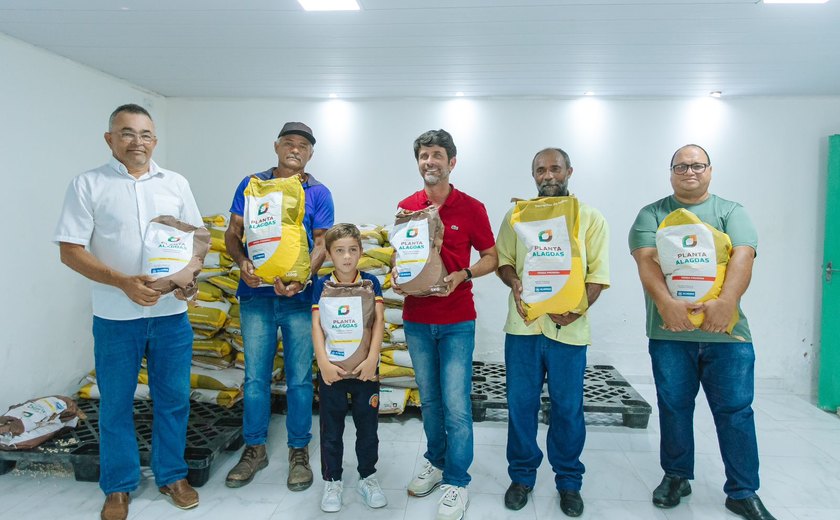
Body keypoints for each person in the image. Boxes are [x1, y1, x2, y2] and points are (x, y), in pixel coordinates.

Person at [54, 104, 202, 520]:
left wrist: (185, 281)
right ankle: (118, 486)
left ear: (155, 140)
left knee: (172, 399)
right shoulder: (88, 185)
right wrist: (124, 283)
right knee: (115, 403)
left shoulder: (175, 183)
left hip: (171, 315)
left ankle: (172, 474)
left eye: (145, 134)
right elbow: (70, 250)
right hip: (116, 318)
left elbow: (196, 245)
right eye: (127, 133)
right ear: (110, 139)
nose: (138, 142)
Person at [628, 144, 775, 520]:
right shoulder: (652, 213)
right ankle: (677, 477)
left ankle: (742, 491)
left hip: (726, 335)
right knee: (674, 408)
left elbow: (743, 256)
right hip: (670, 333)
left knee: (736, 411)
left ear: (710, 170)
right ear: (671, 171)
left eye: (697, 165)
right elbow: (647, 263)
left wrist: (726, 303)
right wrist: (667, 305)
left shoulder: (731, 212)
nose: (689, 171)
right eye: (681, 166)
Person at [495, 148, 609, 517]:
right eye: (540, 170)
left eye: (555, 168)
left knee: (568, 408)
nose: (548, 175)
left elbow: (598, 276)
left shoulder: (590, 218)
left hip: (569, 332)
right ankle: (523, 476)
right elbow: (504, 262)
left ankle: (568, 480)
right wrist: (513, 282)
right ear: (533, 176)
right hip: (524, 326)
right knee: (521, 405)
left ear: (569, 171)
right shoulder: (516, 217)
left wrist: (574, 311)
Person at [393, 129, 498, 520]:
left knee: (455, 404)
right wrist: (397, 274)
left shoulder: (471, 208)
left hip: (456, 321)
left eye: (437, 155)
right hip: (417, 320)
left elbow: (491, 256)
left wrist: (465, 274)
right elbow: (403, 255)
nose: (430, 161)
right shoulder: (407, 206)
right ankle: (435, 461)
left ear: (452, 162)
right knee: (430, 399)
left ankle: (457, 481)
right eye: (424, 155)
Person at [224, 122, 334, 491]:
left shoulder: (318, 192)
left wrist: (305, 277)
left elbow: (321, 243)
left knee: (301, 379)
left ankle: (298, 451)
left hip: (299, 300)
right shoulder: (252, 185)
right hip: (256, 296)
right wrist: (242, 264)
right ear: (276, 146)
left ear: (310, 153)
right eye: (289, 143)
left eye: (303, 145)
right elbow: (232, 232)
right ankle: (254, 448)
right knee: (255, 378)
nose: (296, 149)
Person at [311, 223, 388, 513]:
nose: (346, 257)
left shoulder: (370, 283)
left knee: (367, 429)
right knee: (331, 430)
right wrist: (323, 363)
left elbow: (378, 322)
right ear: (329, 254)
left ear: (361, 252)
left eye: (352, 250)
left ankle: (367, 476)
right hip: (332, 372)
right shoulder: (321, 285)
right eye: (340, 251)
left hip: (365, 373)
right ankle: (333, 480)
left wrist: (372, 360)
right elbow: (317, 326)